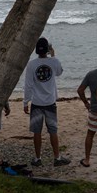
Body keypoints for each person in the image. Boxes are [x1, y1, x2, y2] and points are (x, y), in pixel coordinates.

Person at [23, 37, 70, 167]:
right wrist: (53, 55)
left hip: (37, 102)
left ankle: (38, 158)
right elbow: (59, 72)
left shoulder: (31, 65)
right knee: (53, 131)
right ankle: (57, 157)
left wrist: (25, 102)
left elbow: (28, 85)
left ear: (36, 50)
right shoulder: (53, 62)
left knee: (37, 132)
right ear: (48, 49)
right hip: (50, 102)